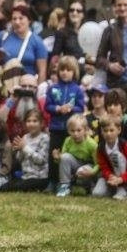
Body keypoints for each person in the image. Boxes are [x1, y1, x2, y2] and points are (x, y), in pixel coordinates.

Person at [44, 56, 86, 190]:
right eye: (62, 69)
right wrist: (57, 108)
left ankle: (67, 182)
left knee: (67, 156)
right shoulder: (53, 88)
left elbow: (81, 107)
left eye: (68, 70)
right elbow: (47, 106)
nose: (65, 72)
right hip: (56, 128)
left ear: (74, 72)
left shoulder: (78, 89)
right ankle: (52, 181)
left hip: (71, 130)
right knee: (54, 155)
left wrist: (70, 109)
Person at [0, 4, 48, 82]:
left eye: (21, 18)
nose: (17, 22)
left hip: (26, 87)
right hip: (4, 85)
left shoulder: (37, 41)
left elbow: (42, 71)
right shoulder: (2, 36)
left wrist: (39, 91)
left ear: (29, 20)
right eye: (14, 19)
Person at [1, 109, 50, 193]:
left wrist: (25, 147)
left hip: (39, 177)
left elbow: (41, 160)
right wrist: (18, 150)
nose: (31, 124)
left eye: (35, 121)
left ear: (41, 123)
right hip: (25, 176)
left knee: (18, 186)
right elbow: (20, 160)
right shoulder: (25, 137)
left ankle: (36, 189)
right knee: (4, 187)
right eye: (28, 121)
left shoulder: (44, 138)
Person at [93, 115, 127, 200]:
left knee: (116, 156)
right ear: (101, 132)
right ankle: (113, 189)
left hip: (126, 177)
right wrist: (110, 177)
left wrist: (122, 179)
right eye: (105, 131)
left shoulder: (125, 145)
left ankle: (124, 189)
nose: (108, 134)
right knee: (97, 193)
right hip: (111, 177)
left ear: (118, 130)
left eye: (111, 130)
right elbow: (103, 167)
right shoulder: (101, 148)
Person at [54, 114, 98, 197]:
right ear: (68, 131)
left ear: (85, 130)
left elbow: (98, 164)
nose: (75, 134)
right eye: (72, 131)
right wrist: (57, 158)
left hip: (88, 166)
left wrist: (92, 172)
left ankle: (89, 186)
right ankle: (65, 186)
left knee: (81, 171)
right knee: (65, 156)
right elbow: (63, 160)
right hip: (75, 165)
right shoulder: (68, 141)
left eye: (79, 130)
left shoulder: (91, 144)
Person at [51, 0, 87, 68]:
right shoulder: (61, 33)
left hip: (87, 72)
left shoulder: (89, 32)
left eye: (78, 11)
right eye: (71, 10)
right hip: (69, 71)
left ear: (83, 14)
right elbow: (55, 57)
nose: (74, 13)